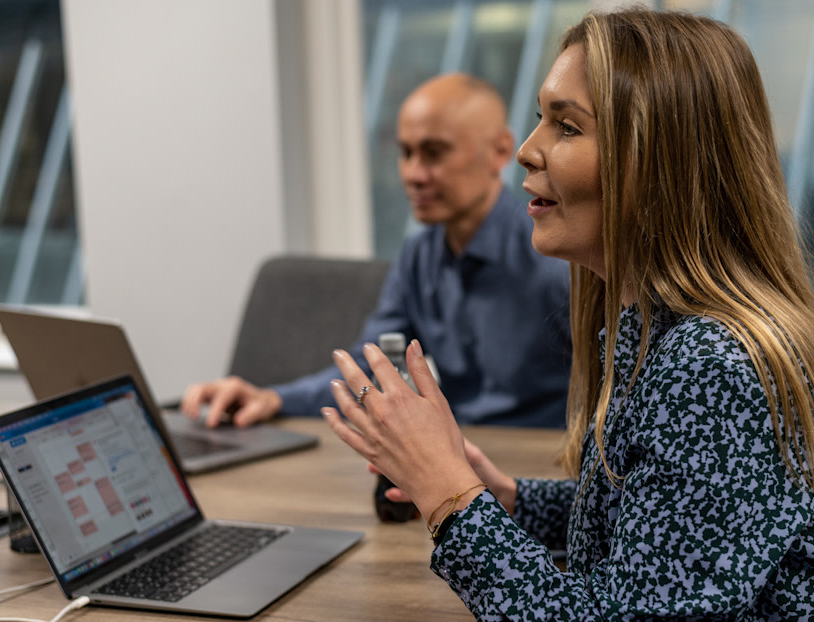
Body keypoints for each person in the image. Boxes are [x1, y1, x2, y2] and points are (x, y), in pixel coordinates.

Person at [322, 8, 814, 622]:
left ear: (657, 162)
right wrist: (510, 500)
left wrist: (453, 502)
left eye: (566, 124)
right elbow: (672, 522)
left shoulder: (711, 367)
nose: (527, 148)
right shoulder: (662, 331)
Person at [181, 73, 571, 430]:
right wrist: (271, 398)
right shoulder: (418, 258)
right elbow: (369, 372)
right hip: (458, 463)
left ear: (501, 151)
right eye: (405, 153)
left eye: (434, 153)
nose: (413, 174)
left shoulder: (560, 257)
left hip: (545, 478)